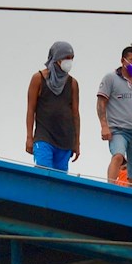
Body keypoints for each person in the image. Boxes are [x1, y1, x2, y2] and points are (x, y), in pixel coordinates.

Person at [97, 46, 132, 187]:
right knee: (118, 156)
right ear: (123, 60)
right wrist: (104, 126)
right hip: (118, 129)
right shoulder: (111, 78)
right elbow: (101, 102)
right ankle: (110, 186)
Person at [25, 41, 80, 171]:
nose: (69, 62)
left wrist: (76, 142)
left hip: (65, 139)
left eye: (71, 58)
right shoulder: (38, 78)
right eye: (66, 58)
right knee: (43, 173)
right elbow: (30, 110)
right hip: (44, 136)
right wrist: (29, 137)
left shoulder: (72, 83)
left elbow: (75, 114)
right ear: (56, 58)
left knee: (59, 179)